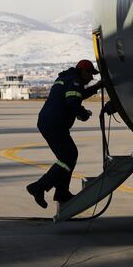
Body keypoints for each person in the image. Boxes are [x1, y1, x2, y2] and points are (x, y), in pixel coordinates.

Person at [26, 59, 102, 208]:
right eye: (90, 74)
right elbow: (72, 101)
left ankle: (61, 192)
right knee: (68, 156)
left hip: (49, 122)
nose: (91, 78)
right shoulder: (75, 80)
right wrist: (83, 114)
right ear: (83, 71)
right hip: (55, 124)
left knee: (67, 157)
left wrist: (96, 88)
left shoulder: (66, 78)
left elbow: (76, 95)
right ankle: (39, 187)